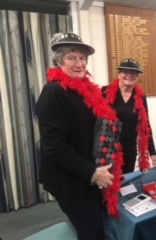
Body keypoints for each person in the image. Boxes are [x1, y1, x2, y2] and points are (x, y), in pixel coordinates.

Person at [36, 33, 123, 240]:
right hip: (70, 179)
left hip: (86, 174)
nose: (79, 63)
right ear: (59, 61)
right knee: (91, 231)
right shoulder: (53, 92)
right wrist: (92, 172)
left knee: (96, 223)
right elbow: (54, 146)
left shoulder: (86, 90)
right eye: (71, 58)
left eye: (83, 58)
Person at [101, 58, 156, 173]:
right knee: (109, 184)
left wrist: (152, 153)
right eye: (125, 72)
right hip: (107, 148)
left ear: (137, 77)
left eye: (133, 73)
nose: (129, 75)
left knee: (126, 182)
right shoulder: (105, 92)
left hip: (129, 149)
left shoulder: (140, 96)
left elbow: (145, 126)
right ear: (119, 74)